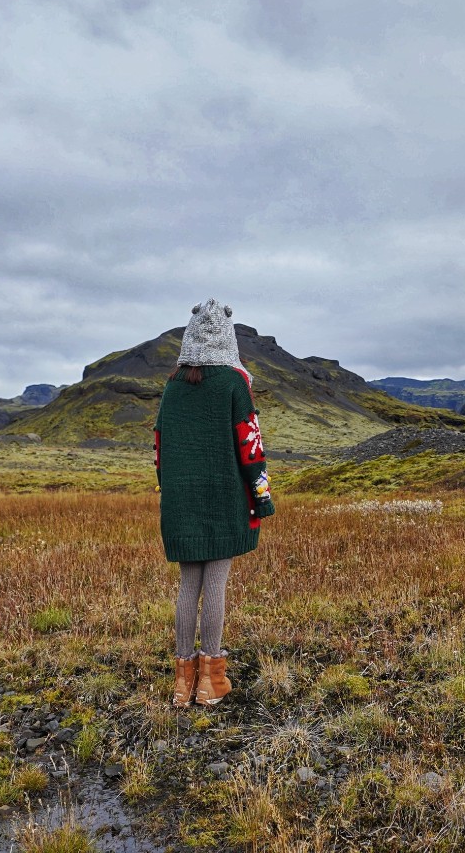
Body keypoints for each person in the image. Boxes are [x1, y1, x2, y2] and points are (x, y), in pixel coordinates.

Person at [154, 299, 274, 707]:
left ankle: (181, 683)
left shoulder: (172, 387)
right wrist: (262, 497)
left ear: (189, 339)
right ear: (227, 338)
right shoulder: (233, 385)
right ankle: (211, 681)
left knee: (190, 583)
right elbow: (250, 445)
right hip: (225, 499)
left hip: (181, 501)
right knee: (216, 582)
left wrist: (170, 492)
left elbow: (159, 448)